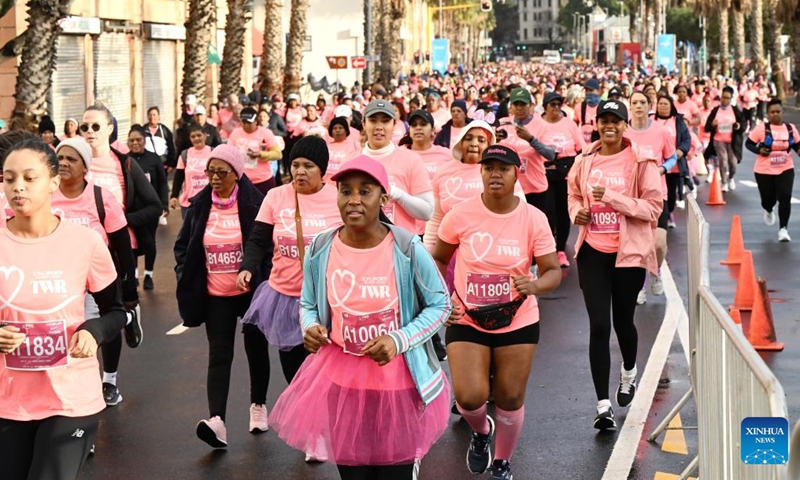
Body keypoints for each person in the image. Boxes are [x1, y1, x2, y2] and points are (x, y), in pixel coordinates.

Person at [268, 156, 452, 480]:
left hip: (398, 383)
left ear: (382, 199)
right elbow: (308, 303)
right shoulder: (320, 248)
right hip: (342, 381)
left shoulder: (408, 248)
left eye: (365, 191)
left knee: (392, 474)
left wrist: (399, 339)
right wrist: (310, 326)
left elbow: (440, 305)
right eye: (345, 191)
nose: (353, 200)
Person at [431, 144, 561, 480]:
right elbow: (439, 259)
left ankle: (502, 462)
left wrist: (535, 285)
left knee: (510, 396)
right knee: (469, 398)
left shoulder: (534, 218)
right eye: (489, 168)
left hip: (517, 318)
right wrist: (442, 301)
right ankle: (481, 431)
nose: (495, 174)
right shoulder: (460, 213)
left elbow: (552, 270)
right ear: (481, 173)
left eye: (503, 168)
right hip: (468, 316)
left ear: (517, 173)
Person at [0, 138, 127, 479]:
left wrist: (93, 331)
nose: (18, 187)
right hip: (8, 399)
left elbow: (116, 310)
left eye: (30, 177)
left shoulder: (84, 242)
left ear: (53, 182)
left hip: (70, 398)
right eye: (9, 179)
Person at [237, 137, 342, 460]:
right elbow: (257, 240)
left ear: (322, 171)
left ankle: (316, 435)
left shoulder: (337, 197)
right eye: (295, 164)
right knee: (293, 369)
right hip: (283, 295)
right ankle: (300, 427)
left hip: (326, 301)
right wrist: (248, 268)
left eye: (308, 166)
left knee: (317, 371)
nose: (299, 171)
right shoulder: (276, 196)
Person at [567, 100, 662, 429]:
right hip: (593, 251)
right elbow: (574, 194)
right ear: (596, 123)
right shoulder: (585, 159)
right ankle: (603, 405)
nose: (609, 125)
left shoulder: (641, 161)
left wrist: (611, 198)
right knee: (599, 325)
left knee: (623, 321)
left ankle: (629, 372)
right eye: (603, 120)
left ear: (625, 125)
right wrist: (575, 212)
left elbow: (652, 209)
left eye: (615, 120)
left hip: (628, 253)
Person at [174, 144, 271, 448]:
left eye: (221, 172)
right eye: (210, 171)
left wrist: (258, 276)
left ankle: (258, 405)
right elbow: (182, 246)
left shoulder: (255, 203)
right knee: (219, 355)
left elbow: (267, 247)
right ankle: (218, 421)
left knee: (256, 349)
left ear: (237, 174)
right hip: (216, 294)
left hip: (250, 291)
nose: (214, 177)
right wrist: (183, 274)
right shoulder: (200, 204)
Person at [52, 137, 141, 407]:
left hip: (98, 281)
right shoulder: (46, 197)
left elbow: (124, 247)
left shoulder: (102, 198)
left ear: (85, 168)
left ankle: (109, 381)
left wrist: (129, 290)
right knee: (71, 335)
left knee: (103, 330)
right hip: (60, 282)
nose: (64, 163)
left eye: (72, 159)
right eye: (60, 158)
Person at [625, 91, 678, 305]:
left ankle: (655, 272)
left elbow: (672, 156)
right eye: (634, 102)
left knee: (658, 244)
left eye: (642, 102)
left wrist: (663, 169)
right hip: (631, 197)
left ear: (650, 106)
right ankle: (639, 286)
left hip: (657, 195)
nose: (639, 106)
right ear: (630, 106)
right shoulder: (624, 131)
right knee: (636, 246)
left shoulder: (661, 131)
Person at [360, 100, 433, 234]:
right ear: (364, 124)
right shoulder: (350, 162)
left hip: (400, 247)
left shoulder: (411, 160)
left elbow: (427, 212)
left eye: (386, 121)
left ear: (394, 125)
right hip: (360, 246)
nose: (379, 127)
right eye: (373, 120)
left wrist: (397, 194)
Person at [536, 91, 585, 268]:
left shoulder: (569, 124)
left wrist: (575, 168)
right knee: (548, 212)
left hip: (566, 171)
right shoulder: (538, 124)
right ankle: (547, 248)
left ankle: (561, 250)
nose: (556, 108)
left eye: (559, 104)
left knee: (564, 212)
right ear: (545, 106)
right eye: (552, 105)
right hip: (544, 172)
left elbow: (581, 149)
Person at [745, 99, 800, 242]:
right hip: (764, 170)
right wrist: (759, 150)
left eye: (778, 112)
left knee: (785, 196)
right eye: (772, 112)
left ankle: (783, 229)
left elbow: (796, 145)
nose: (776, 115)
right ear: (768, 114)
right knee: (768, 200)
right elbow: (749, 143)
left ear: (782, 112)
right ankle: (768, 209)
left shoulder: (790, 128)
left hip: (785, 168)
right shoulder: (761, 128)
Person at [497, 88, 556, 215]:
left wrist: (531, 139)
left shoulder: (542, 125)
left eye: (523, 104)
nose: (519, 108)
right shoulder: (502, 124)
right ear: (510, 107)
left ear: (531, 106)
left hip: (535, 188)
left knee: (536, 230)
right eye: (516, 104)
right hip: (509, 189)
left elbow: (551, 155)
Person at [127, 126, 169, 290]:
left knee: (150, 242)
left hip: (150, 209)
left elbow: (163, 182)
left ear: (144, 141)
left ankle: (149, 275)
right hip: (131, 210)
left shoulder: (153, 159)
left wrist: (164, 204)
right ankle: (135, 274)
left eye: (138, 140)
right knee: (132, 243)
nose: (135, 143)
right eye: (132, 140)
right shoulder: (125, 160)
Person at [653, 94, 692, 225]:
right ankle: (656, 216)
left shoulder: (678, 121)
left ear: (671, 107)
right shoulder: (651, 120)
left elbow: (687, 139)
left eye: (666, 104)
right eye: (660, 103)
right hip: (655, 165)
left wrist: (681, 150)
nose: (662, 106)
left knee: (670, 192)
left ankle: (669, 212)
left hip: (673, 164)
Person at [227, 107, 283, 195]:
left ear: (256, 121)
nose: (246, 125)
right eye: (243, 122)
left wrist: (260, 154)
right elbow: (228, 153)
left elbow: (278, 154)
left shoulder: (266, 133)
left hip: (263, 180)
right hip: (242, 180)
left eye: (249, 123)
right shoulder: (235, 133)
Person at [704, 86, 746, 192]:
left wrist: (738, 126)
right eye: (723, 97)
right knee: (723, 160)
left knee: (733, 163)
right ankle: (723, 182)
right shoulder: (715, 111)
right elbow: (707, 127)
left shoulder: (735, 111)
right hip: (719, 140)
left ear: (731, 99)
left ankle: (731, 178)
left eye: (727, 98)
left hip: (732, 141)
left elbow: (743, 124)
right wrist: (712, 124)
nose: (725, 100)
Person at [171, 123, 213, 218]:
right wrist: (174, 196)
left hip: (209, 202)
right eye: (193, 136)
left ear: (205, 135)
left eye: (199, 135)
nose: (196, 138)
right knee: (189, 232)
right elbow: (178, 177)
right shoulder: (185, 155)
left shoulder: (213, 152)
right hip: (189, 203)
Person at [405, 109, 452, 181]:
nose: (418, 128)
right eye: (414, 125)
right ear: (409, 131)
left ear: (433, 131)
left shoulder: (447, 155)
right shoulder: (400, 155)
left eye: (423, 124)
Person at [325, 116, 361, 182]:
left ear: (346, 130)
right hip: (327, 184)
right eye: (334, 128)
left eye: (340, 128)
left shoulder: (355, 145)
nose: (337, 130)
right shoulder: (326, 147)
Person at [575, 78, 602, 143]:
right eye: (586, 90)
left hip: (599, 145)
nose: (588, 93)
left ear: (598, 91)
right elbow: (574, 127)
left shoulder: (603, 106)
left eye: (591, 90)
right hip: (583, 146)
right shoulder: (579, 107)